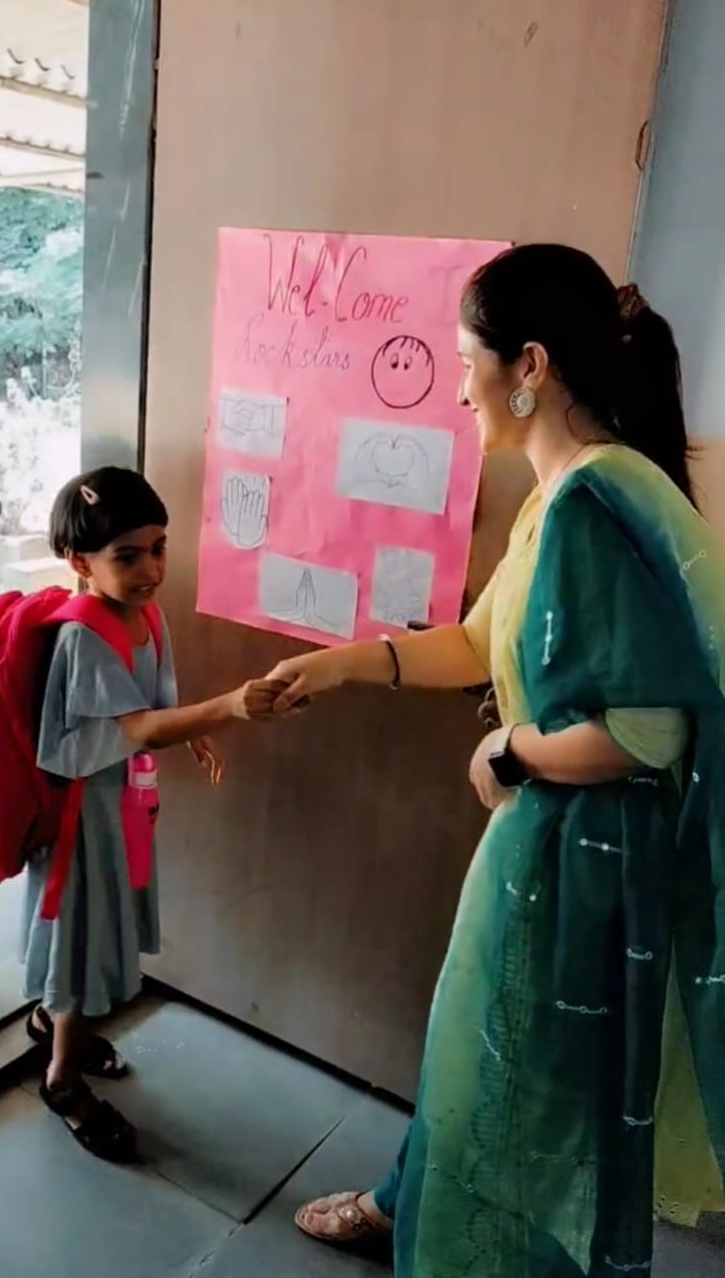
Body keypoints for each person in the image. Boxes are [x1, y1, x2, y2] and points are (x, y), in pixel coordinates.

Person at [266, 245, 725, 1276]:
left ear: (530, 365)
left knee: (522, 1085)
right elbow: (480, 641)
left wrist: (509, 748)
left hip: (582, 864)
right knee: (487, 1061)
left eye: (465, 357)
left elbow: (646, 731)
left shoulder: (593, 505)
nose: (458, 384)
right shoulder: (558, 493)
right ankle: (413, 1208)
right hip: (553, 846)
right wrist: (338, 666)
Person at [21, 466, 278, 1163]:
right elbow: (137, 727)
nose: (152, 569)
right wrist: (225, 709)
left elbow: (153, 704)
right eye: (128, 556)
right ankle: (61, 1080)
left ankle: (55, 1021)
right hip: (81, 819)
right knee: (83, 936)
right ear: (79, 562)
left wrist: (190, 731)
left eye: (159, 548)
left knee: (103, 926)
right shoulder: (84, 635)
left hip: (122, 803)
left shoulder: (147, 615)